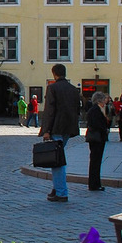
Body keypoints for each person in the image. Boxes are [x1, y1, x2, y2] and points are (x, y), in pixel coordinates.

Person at [40, 63, 81, 202]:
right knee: (58, 158)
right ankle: (57, 188)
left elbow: (50, 111)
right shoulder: (73, 89)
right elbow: (77, 110)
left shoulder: (53, 88)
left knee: (57, 161)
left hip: (56, 128)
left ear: (54, 74)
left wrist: (46, 130)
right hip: (68, 128)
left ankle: (61, 192)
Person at [85, 91, 111, 191]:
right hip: (97, 138)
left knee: (96, 161)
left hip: (98, 137)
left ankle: (95, 183)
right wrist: (104, 129)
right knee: (96, 161)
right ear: (100, 100)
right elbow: (96, 124)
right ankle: (94, 184)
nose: (106, 101)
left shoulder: (98, 109)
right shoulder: (96, 110)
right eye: (104, 99)